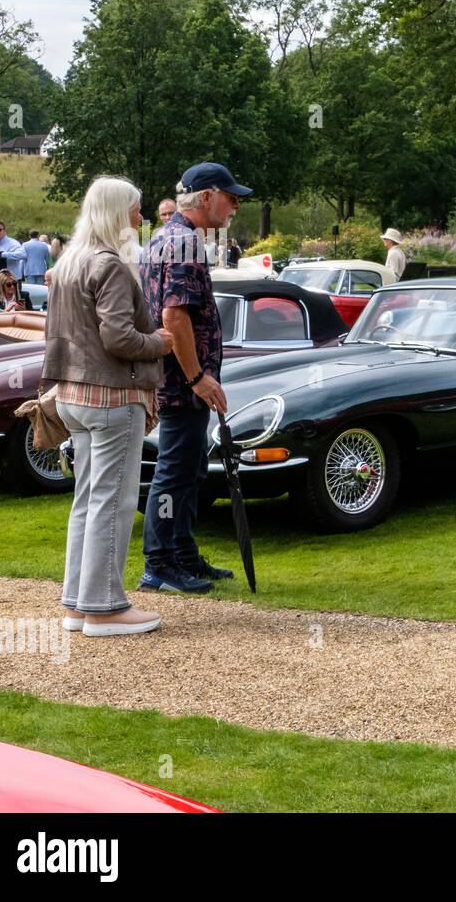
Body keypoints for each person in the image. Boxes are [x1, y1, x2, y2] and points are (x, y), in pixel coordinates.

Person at [42, 176, 174, 637]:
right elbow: (118, 337)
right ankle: (105, 608)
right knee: (113, 502)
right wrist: (157, 342)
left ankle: (79, 605)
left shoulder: (69, 262)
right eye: (136, 210)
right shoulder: (112, 266)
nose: (142, 218)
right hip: (112, 399)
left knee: (87, 500)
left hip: (73, 397)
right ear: (120, 213)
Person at [140, 161, 250, 593]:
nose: (235, 205)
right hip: (181, 382)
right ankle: (159, 563)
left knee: (189, 470)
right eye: (230, 196)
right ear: (206, 197)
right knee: (175, 470)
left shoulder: (165, 236)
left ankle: (182, 553)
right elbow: (173, 315)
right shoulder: (184, 241)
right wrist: (197, 377)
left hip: (174, 379)